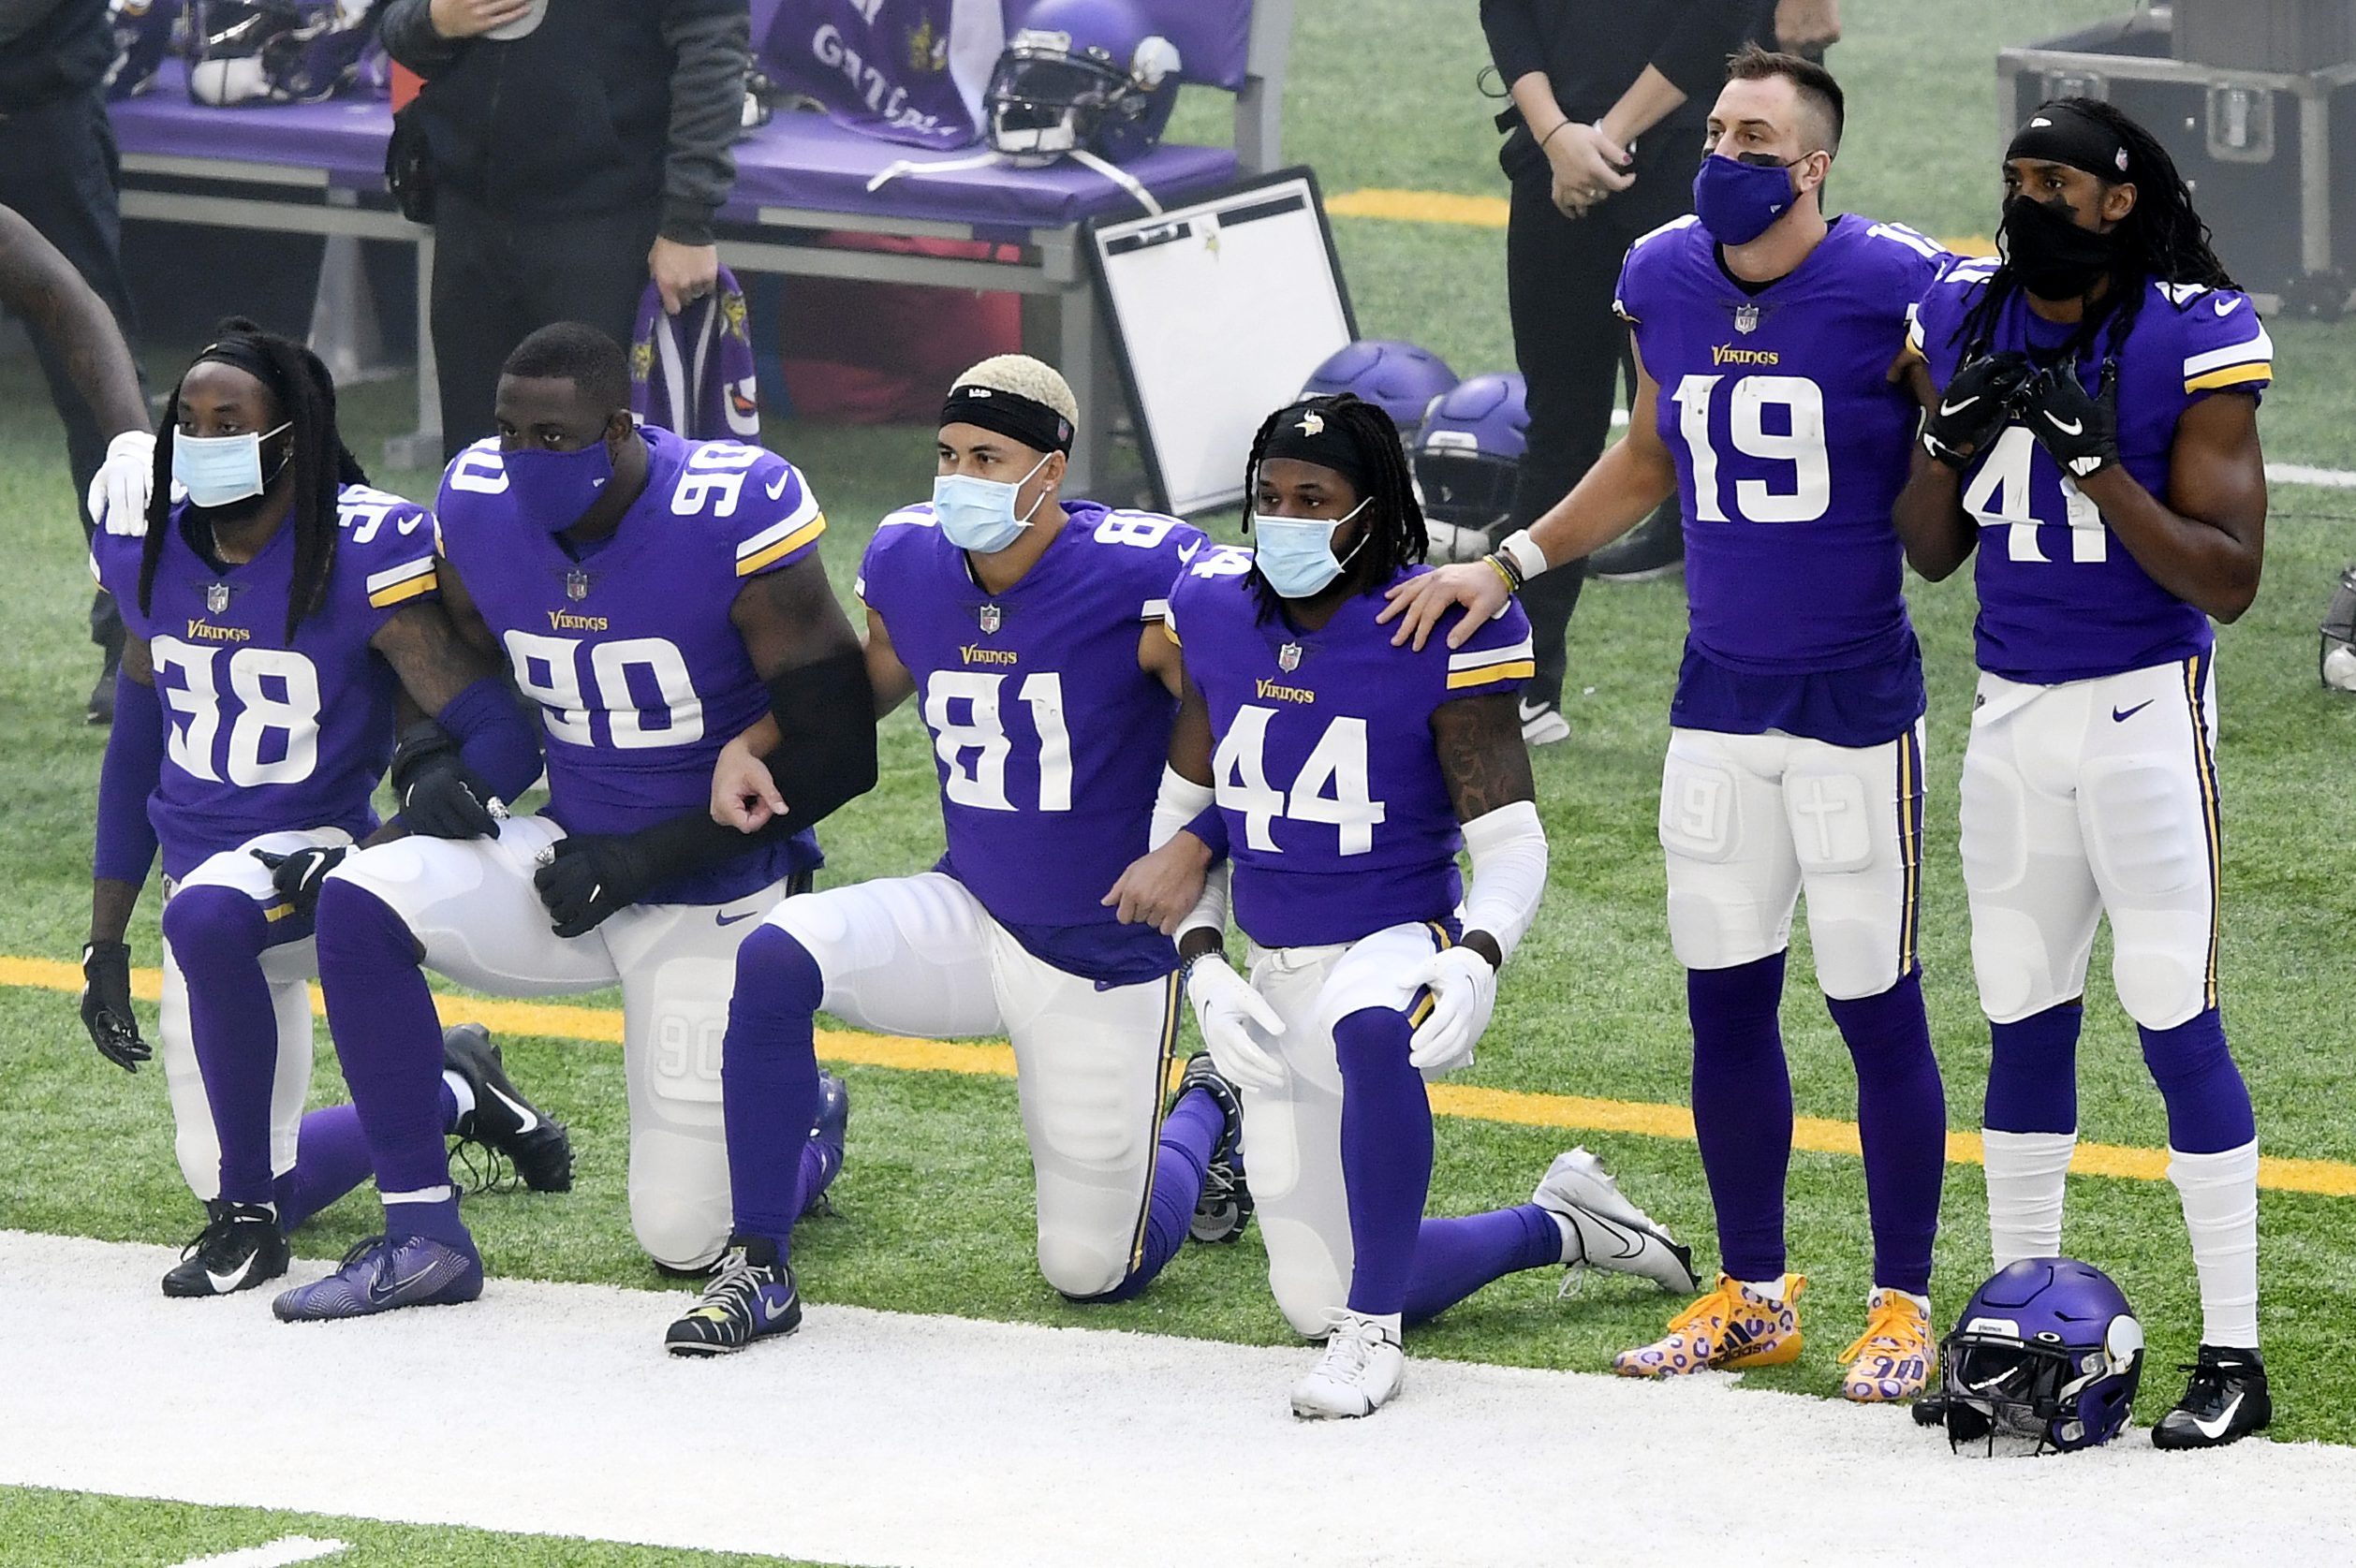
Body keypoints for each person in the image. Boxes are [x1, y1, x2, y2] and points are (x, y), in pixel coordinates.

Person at [1382, 48, 1951, 1402]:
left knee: (1876, 1003)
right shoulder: (1665, 270)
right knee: (1725, 1002)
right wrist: (1509, 561)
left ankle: (1903, 1299)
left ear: (1813, 164)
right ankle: (1755, 1291)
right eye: (1723, 127)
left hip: (1854, 698)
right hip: (1718, 698)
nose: (1727, 150)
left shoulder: (1900, 282)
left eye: (1758, 134)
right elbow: (1650, 451)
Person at [270, 322, 876, 1322]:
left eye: (553, 437)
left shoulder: (730, 508)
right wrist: (430, 756)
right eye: (509, 432)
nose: (524, 457)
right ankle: (425, 1232)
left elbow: (840, 748)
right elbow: (452, 662)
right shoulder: (475, 498)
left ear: (620, 429)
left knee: (683, 1240)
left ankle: (800, 1130)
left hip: (711, 880)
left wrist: (648, 857)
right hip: (571, 853)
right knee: (363, 895)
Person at [1112, 393, 1697, 1420]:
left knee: (1367, 1026)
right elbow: (1182, 820)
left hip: (1395, 934)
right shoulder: (1209, 605)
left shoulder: (1436, 624)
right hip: (1270, 952)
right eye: (1269, 496)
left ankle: (1374, 1340)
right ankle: (1557, 1223)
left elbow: (1510, 843)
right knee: (1311, 1296)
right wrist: (1201, 959)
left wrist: (1474, 953)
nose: (1285, 517)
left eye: (1313, 497)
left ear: (1372, 508)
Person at [662, 355, 1251, 1356]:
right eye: (947, 453)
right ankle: (757, 1262)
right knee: (776, 953)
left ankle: (1205, 1104)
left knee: (1092, 1270)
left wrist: (1195, 847)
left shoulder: (1143, 572)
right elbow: (872, 681)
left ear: (1051, 469)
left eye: (989, 455)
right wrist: (756, 740)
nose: (960, 475)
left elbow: (1256, 729)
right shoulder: (906, 555)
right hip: (969, 905)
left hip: (1103, 947)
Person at [1895, 99, 2273, 1449]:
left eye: (2056, 178)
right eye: (2016, 176)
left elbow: (2227, 581)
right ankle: (2017, 1316)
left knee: (2174, 1009)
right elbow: (1930, 551)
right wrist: (1950, 436)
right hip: (2009, 713)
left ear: (2122, 198)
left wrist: (2098, 459)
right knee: (2021, 1012)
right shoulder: (1960, 311)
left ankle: (2234, 1349)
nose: (2029, 198)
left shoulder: (2190, 324)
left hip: (2140, 713)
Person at [79, 321, 565, 1298]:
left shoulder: (354, 552)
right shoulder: (149, 550)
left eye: (231, 421)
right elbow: (135, 749)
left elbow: (501, 732)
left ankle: (250, 1223)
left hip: (319, 867)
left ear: (289, 437)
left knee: (213, 921)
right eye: (191, 419)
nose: (205, 437)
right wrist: (103, 938)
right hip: (196, 885)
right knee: (215, 1150)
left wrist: (390, 841)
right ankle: (453, 1088)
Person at [1476, 0, 1754, 742]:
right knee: (1558, 426)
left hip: (1688, 166)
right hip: (1551, 164)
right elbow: (1505, 11)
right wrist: (1556, 136)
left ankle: (1750, 676)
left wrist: (1602, 137)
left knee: (1703, 429)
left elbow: (1716, 24)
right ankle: (1523, 678)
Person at [376, 0, 752, 459]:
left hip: (605, 217)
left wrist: (689, 222)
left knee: (598, 462)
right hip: (468, 211)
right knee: (477, 461)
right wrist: (433, 22)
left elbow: (712, 46)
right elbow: (396, 25)